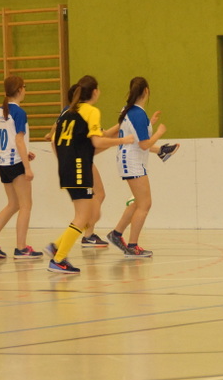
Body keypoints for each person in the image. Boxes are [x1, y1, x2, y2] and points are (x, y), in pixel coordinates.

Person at [48, 75, 134, 274]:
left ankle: (57, 247)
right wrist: (123, 140)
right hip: (78, 167)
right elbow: (97, 141)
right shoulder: (91, 111)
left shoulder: (68, 112)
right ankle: (58, 259)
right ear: (94, 92)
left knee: (89, 214)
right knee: (84, 216)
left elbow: (80, 144)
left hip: (69, 166)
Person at [106, 77, 172, 257]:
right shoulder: (138, 114)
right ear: (146, 91)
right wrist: (159, 133)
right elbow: (144, 144)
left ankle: (116, 234)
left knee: (138, 201)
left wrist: (151, 123)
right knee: (145, 204)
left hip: (129, 160)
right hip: (133, 162)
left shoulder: (129, 111)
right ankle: (133, 245)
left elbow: (136, 134)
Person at [0, 76, 43, 260]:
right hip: (15, 163)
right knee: (26, 205)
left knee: (13, 204)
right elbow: (19, 140)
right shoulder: (19, 112)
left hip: (3, 162)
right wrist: (27, 167)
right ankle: (21, 248)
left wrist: (24, 153)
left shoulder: (1, 111)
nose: (25, 90)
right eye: (25, 87)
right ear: (19, 89)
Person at [44, 84, 109, 249]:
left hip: (73, 160)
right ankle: (86, 235)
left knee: (96, 197)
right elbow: (99, 140)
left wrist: (50, 135)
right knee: (91, 203)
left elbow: (55, 129)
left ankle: (81, 235)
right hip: (78, 161)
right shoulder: (80, 112)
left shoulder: (66, 112)